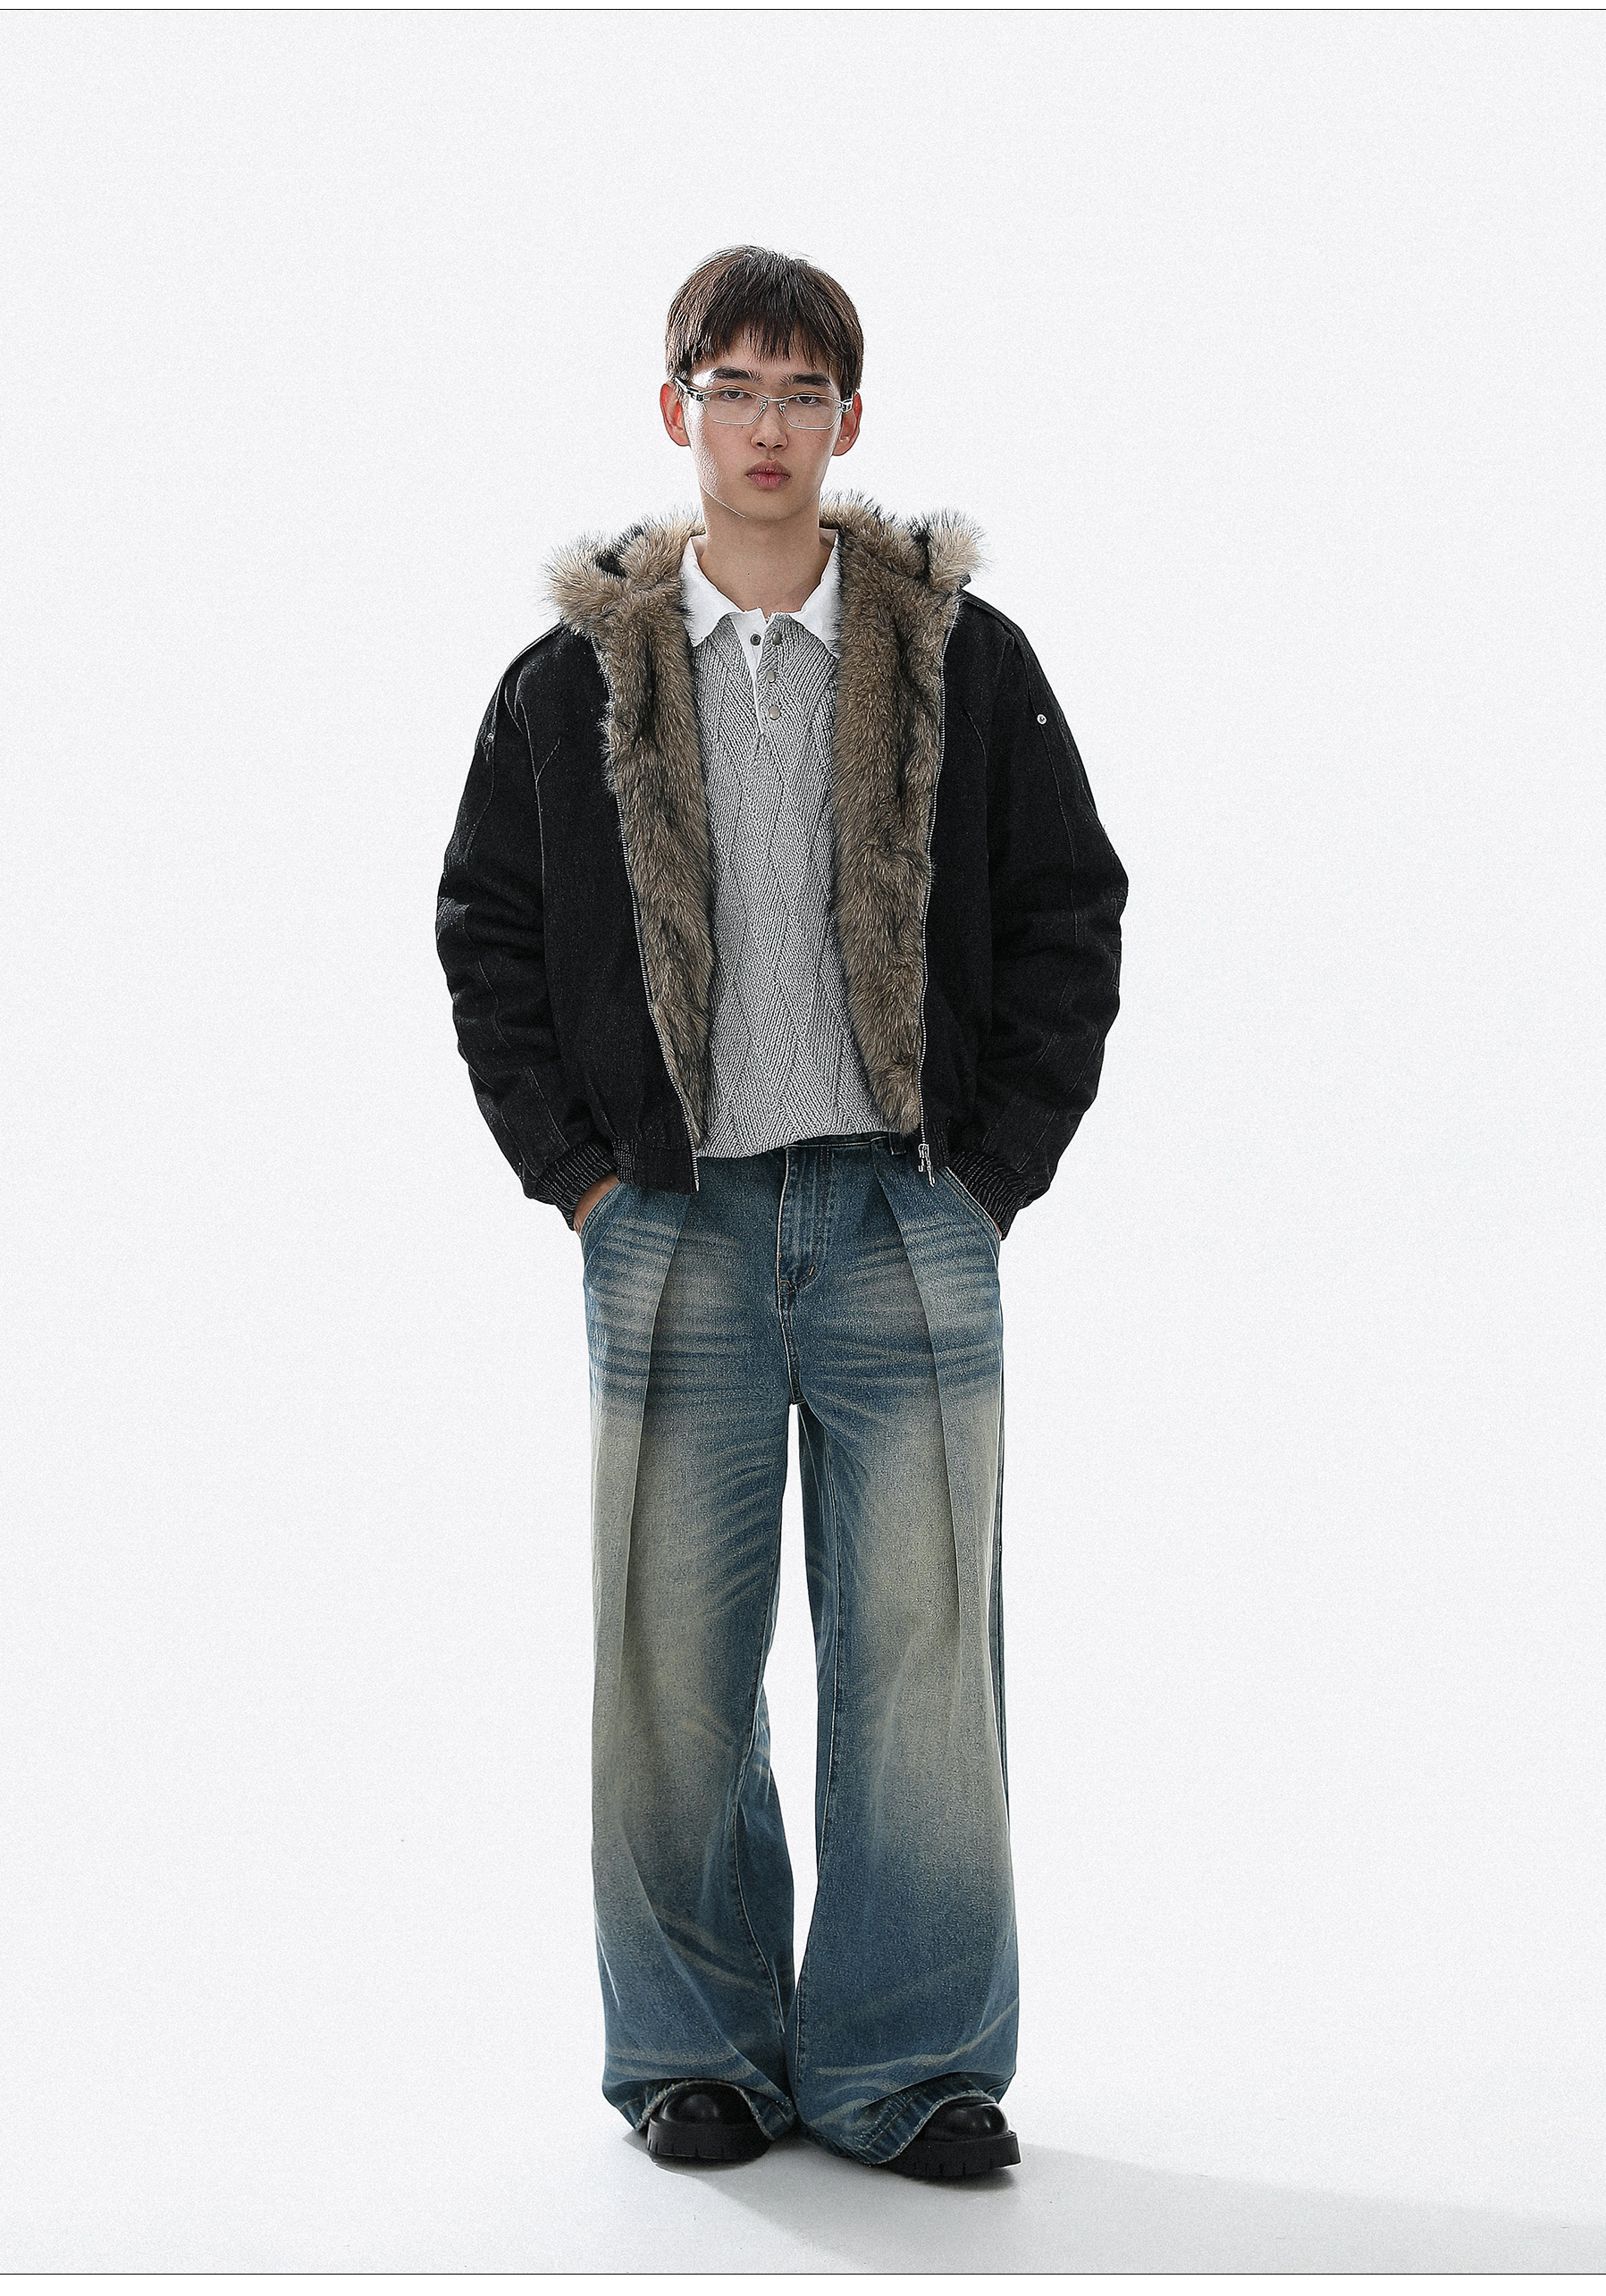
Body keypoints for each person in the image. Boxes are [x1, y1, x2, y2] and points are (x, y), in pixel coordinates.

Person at [435, 245, 1129, 2179]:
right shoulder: (574, 679)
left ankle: (911, 2065)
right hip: (672, 1224)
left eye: (800, 391)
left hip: (908, 1215)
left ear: (849, 418)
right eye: (731, 387)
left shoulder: (960, 662)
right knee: (670, 1658)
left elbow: (1070, 910)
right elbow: (486, 933)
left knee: (921, 1659)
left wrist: (990, 1175)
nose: (765, 424)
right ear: (677, 409)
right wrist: (581, 1178)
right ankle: (697, 2051)